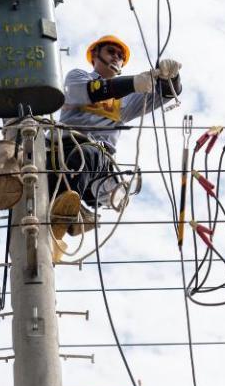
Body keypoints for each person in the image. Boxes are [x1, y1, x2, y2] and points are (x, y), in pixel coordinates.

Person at [48, 34, 182, 252]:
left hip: (95, 168)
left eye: (121, 56)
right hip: (65, 152)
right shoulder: (77, 77)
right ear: (95, 56)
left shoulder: (127, 101)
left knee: (93, 154)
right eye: (111, 51)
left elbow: (165, 95)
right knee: (85, 154)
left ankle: (69, 210)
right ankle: (68, 213)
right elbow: (93, 91)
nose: (116, 58)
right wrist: (133, 82)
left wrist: (171, 77)